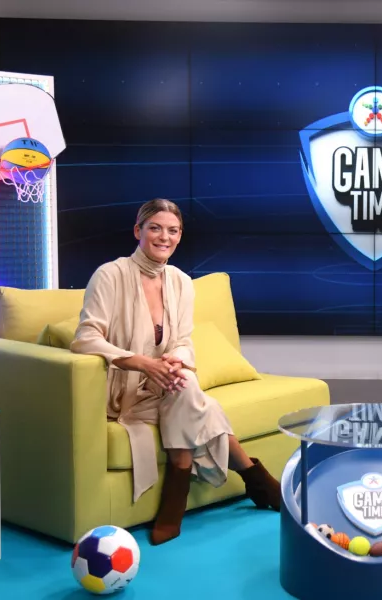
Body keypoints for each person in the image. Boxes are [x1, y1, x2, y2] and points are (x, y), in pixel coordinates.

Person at [71, 198, 281, 546]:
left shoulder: (182, 282)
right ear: (138, 231)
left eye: (173, 230)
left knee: (184, 382)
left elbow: (183, 341)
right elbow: (85, 338)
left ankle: (177, 495)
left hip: (167, 384)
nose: (164, 237)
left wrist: (174, 361)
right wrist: (142, 362)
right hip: (125, 390)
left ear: (180, 236)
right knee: (199, 400)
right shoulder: (110, 275)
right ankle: (255, 478)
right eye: (155, 228)